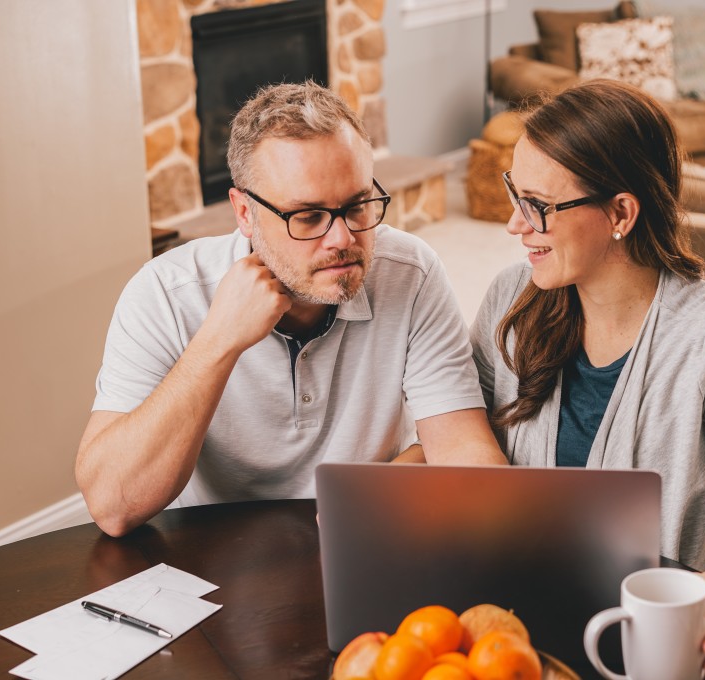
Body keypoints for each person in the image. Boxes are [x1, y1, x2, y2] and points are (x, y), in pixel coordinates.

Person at [469, 80, 705, 676]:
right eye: (514, 194)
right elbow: (461, 446)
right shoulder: (508, 304)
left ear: (621, 212)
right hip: (536, 629)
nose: (515, 226)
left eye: (538, 205)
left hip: (673, 647)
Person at [76, 81, 505, 538]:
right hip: (203, 554)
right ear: (244, 213)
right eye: (307, 217)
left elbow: (462, 450)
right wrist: (218, 341)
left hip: (363, 537)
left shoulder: (410, 272)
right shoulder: (165, 291)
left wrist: (387, 486)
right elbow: (112, 506)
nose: (342, 239)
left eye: (358, 205)